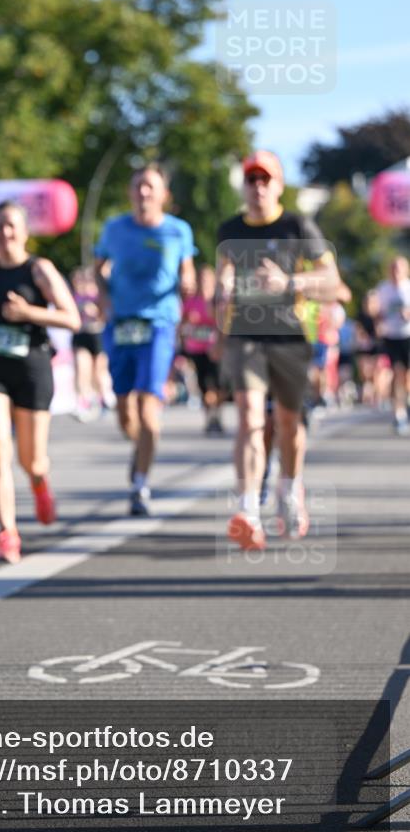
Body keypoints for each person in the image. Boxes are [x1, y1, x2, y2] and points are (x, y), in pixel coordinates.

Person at [216, 150, 340, 549]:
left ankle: (289, 488)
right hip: (245, 335)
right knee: (251, 417)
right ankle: (248, 509)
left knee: (288, 424)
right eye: (251, 180)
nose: (258, 187)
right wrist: (221, 290)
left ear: (279, 186)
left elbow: (332, 282)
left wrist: (289, 283)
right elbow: (224, 274)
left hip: (289, 336)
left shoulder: (297, 226)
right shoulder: (229, 229)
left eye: (265, 179)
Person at [0, 201, 80, 563]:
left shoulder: (39, 270)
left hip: (32, 369)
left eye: (12, 225)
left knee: (30, 459)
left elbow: (72, 319)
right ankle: (8, 533)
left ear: (25, 232)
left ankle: (39, 481)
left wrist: (28, 313)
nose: (5, 232)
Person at [94, 164, 197, 516]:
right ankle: (141, 450)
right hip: (121, 324)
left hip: (159, 324)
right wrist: (104, 297)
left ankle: (140, 484)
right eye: (138, 186)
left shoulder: (178, 231)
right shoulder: (114, 228)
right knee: (125, 412)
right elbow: (98, 267)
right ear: (129, 192)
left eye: (150, 187)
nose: (143, 193)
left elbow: (188, 270)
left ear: (163, 195)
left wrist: (187, 284)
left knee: (149, 408)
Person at [180, 265, 224, 433]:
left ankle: (216, 414)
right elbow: (183, 323)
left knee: (218, 386)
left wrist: (220, 341)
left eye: (207, 279)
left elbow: (224, 323)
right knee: (204, 386)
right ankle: (210, 417)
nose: (204, 282)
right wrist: (185, 333)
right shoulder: (192, 301)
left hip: (215, 349)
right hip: (196, 348)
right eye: (202, 279)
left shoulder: (217, 300)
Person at [70, 265, 113, 421]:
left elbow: (106, 315)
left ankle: (103, 400)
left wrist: (96, 312)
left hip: (97, 335)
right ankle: (82, 402)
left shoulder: (98, 296)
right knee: (82, 368)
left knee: (98, 371)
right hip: (81, 335)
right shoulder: (73, 297)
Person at [374, 256, 410, 435]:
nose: (396, 272)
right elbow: (376, 311)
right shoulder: (383, 288)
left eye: (399, 269)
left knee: (407, 378)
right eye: (393, 268)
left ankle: (407, 402)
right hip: (391, 336)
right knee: (397, 373)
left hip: (408, 335)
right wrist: (378, 320)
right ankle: (399, 414)